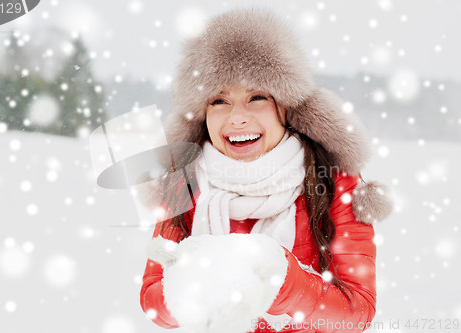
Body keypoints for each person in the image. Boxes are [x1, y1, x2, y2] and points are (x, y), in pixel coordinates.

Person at [139, 7, 394, 333]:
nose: (237, 118)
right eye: (219, 101)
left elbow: (357, 312)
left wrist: (279, 277)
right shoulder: (183, 186)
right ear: (202, 113)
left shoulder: (333, 183)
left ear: (285, 108)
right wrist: (189, 278)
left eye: (256, 97)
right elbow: (153, 303)